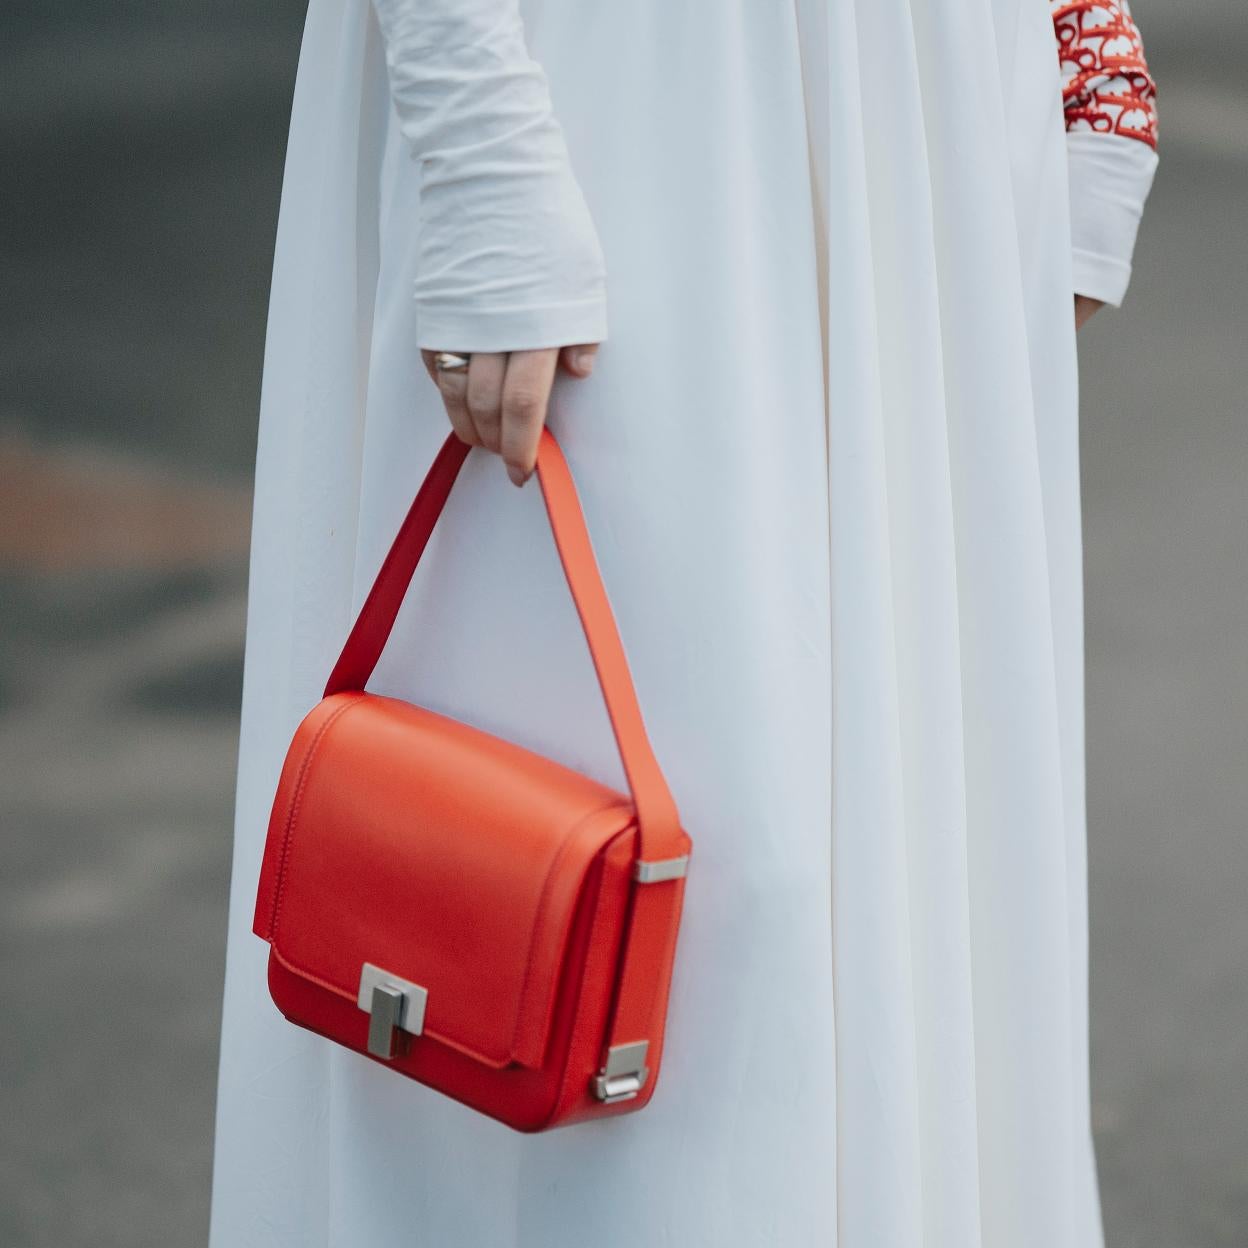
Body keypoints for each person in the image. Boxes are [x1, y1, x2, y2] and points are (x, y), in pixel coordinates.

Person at [209, 0, 1158, 1243]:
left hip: (927, 109)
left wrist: (1091, 52)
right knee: (605, 891)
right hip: (620, 109)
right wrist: (481, 139)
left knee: (903, 845)